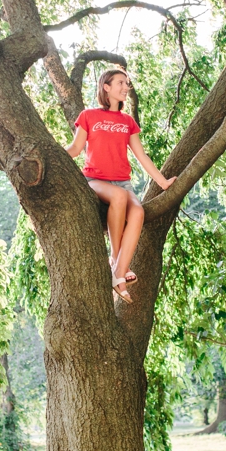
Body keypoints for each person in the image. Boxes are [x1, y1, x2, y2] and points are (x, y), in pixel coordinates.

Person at [66, 68, 174, 302]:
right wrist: (52, 156)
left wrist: (163, 182)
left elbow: (141, 156)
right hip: (95, 180)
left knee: (137, 212)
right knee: (118, 197)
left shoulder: (127, 122)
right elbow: (75, 149)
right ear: (106, 87)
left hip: (123, 182)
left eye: (127, 83)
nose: (126, 87)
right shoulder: (88, 115)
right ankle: (116, 259)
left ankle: (118, 272)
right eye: (121, 83)